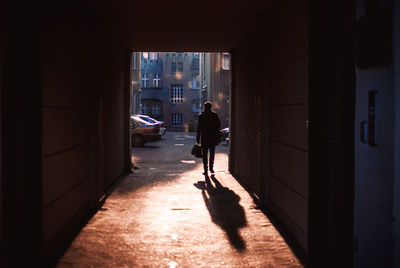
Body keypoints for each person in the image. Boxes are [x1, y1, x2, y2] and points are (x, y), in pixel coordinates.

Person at [196, 101, 221, 176]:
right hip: (212, 137)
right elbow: (218, 125)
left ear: (204, 107)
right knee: (212, 153)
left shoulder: (201, 116)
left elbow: (198, 128)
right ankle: (211, 167)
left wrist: (197, 139)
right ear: (210, 107)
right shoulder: (214, 115)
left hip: (204, 137)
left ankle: (205, 169)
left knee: (205, 154)